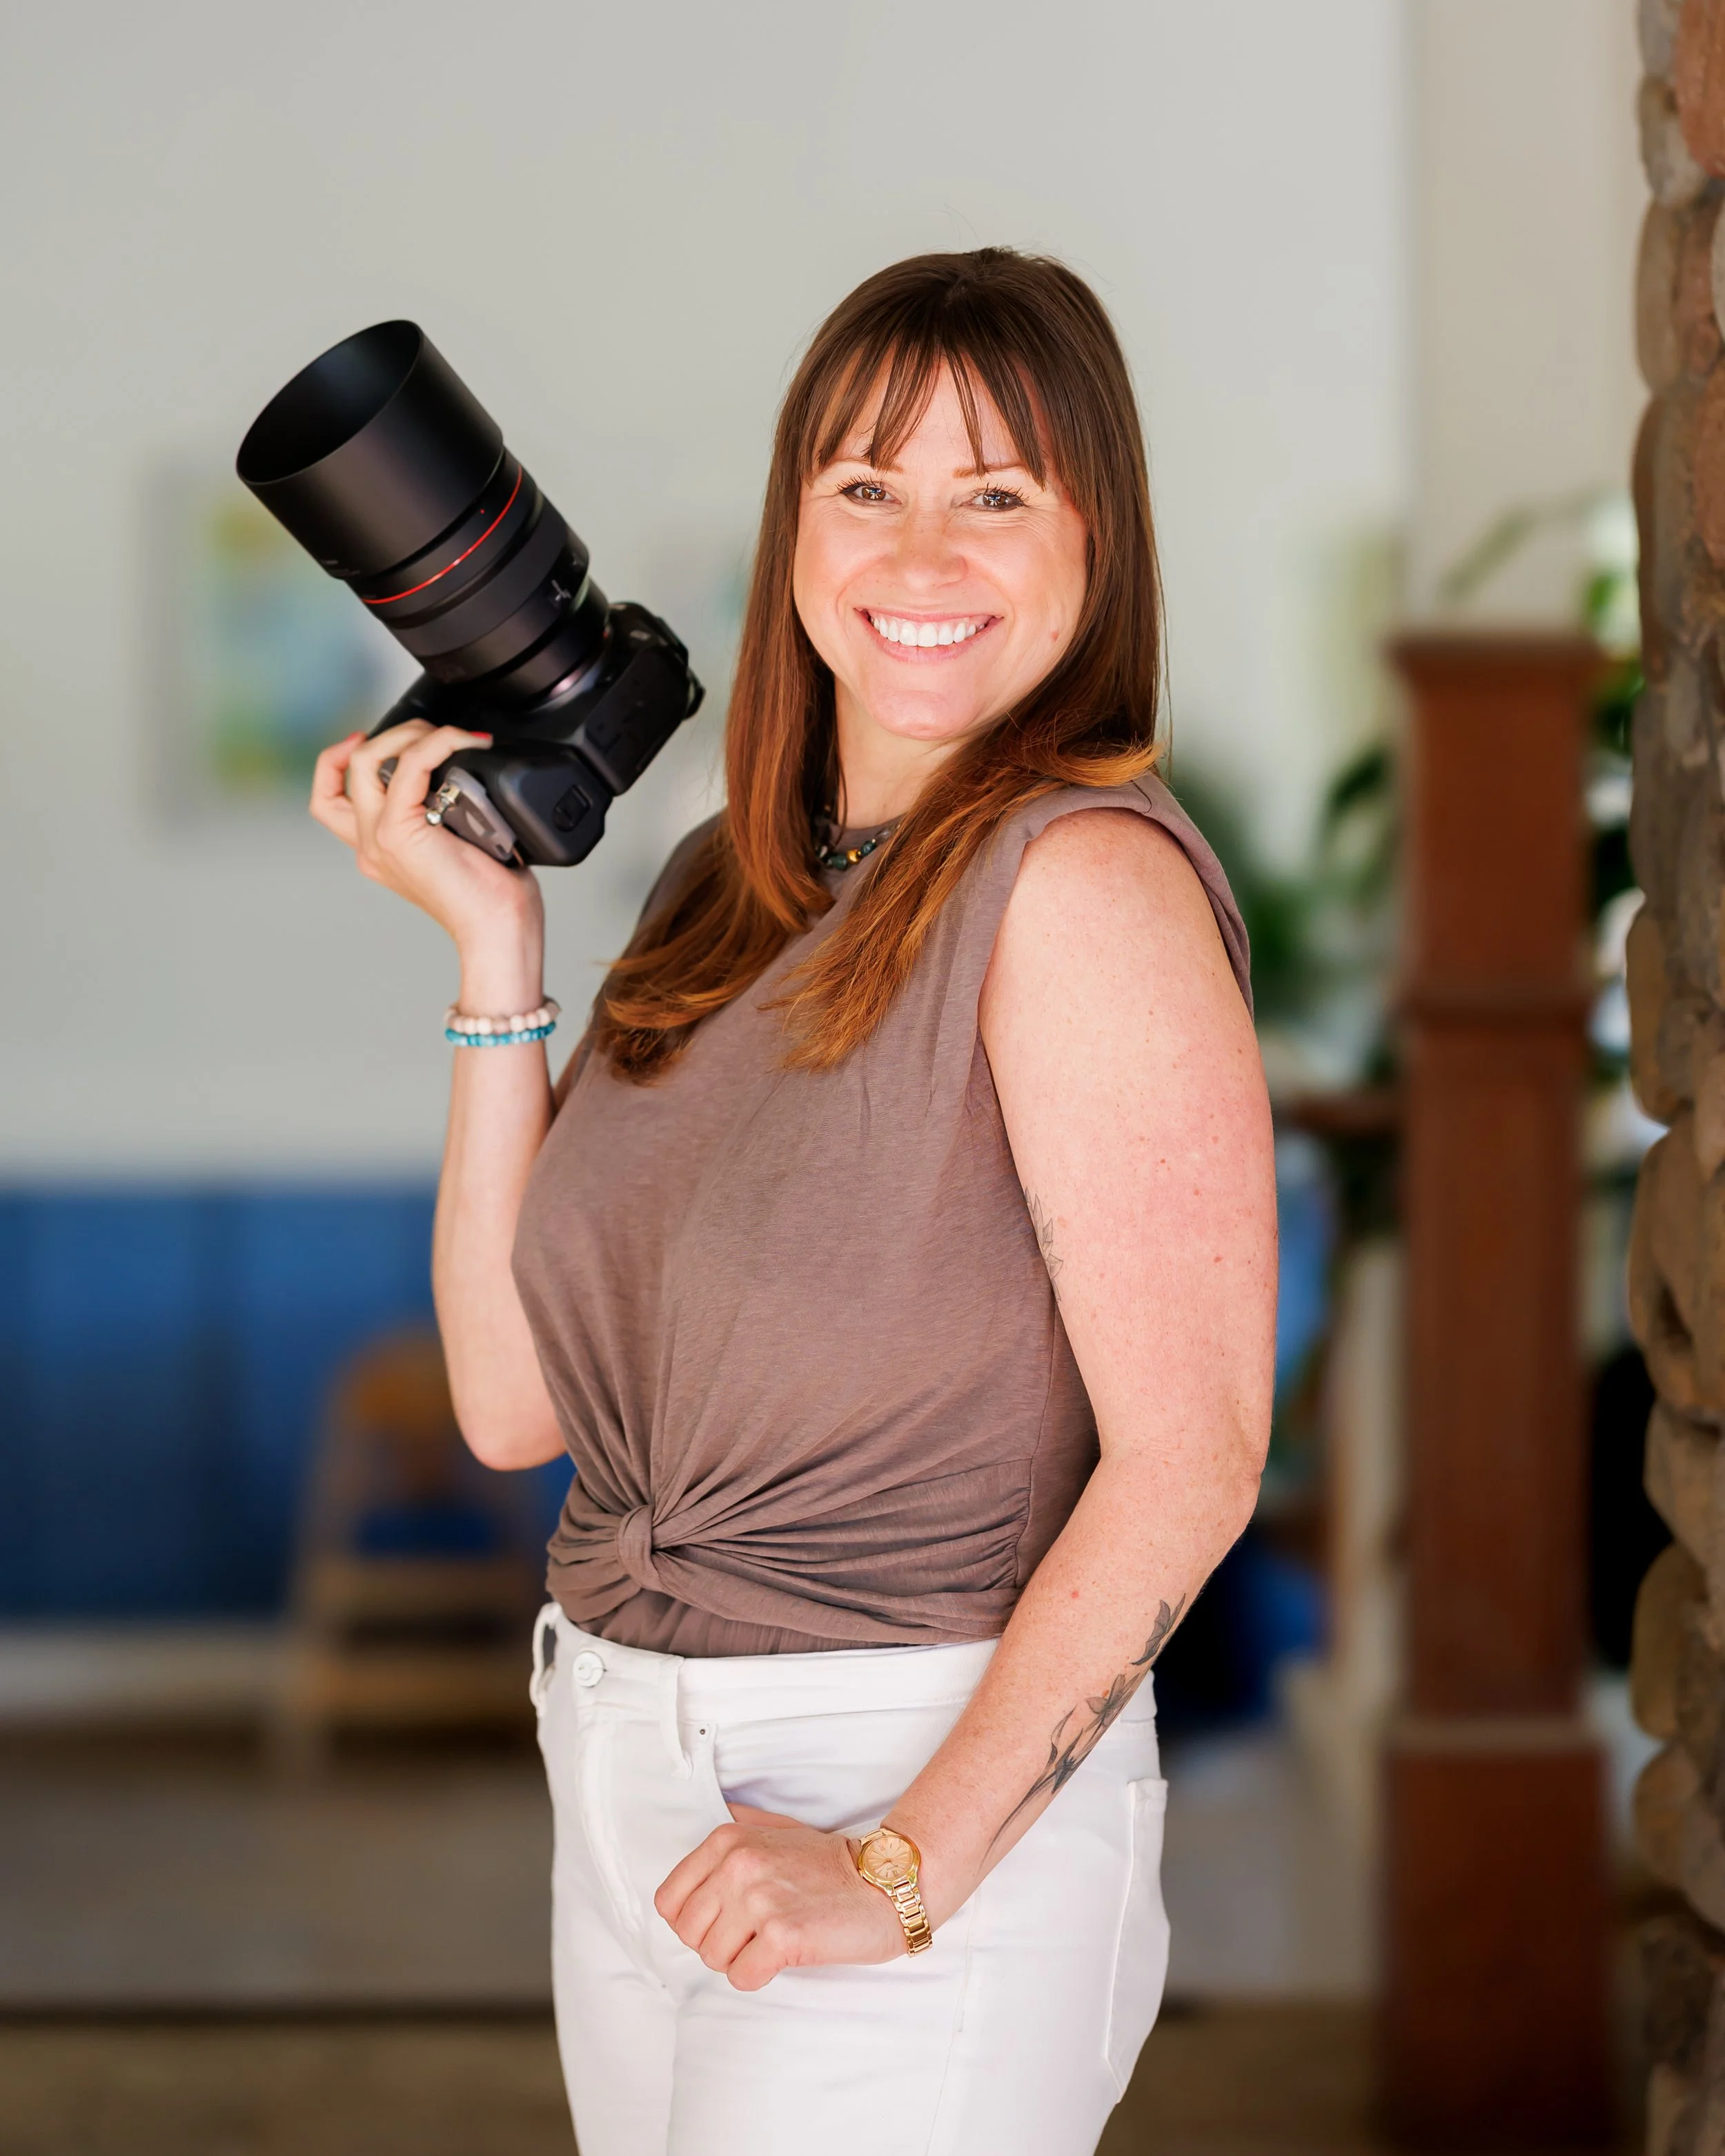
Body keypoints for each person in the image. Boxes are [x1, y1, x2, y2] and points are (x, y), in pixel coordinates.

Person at [310, 247, 1276, 2156]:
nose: (920, 553)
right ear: (796, 528)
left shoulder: (1077, 886)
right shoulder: (717, 897)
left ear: (1099, 546)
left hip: (906, 1774)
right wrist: (495, 950)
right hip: (623, 1762)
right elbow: (516, 1404)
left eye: (994, 493)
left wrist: (903, 1866)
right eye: (866, 486)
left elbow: (1194, 1452)